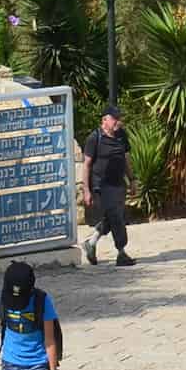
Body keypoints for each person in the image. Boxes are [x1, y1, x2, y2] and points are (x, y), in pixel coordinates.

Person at [81, 108, 135, 266]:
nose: (118, 122)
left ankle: (91, 243)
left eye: (119, 119)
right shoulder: (94, 138)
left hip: (119, 184)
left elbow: (125, 159)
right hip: (101, 186)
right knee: (116, 216)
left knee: (113, 217)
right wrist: (86, 190)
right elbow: (87, 165)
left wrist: (132, 179)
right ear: (105, 120)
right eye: (115, 119)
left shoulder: (121, 135)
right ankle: (121, 252)